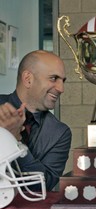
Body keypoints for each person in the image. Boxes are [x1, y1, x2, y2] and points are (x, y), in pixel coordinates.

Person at [0, 50, 72, 191]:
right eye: (53, 78)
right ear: (28, 79)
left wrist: (15, 140)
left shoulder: (60, 133)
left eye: (62, 81)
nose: (61, 88)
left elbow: (43, 186)